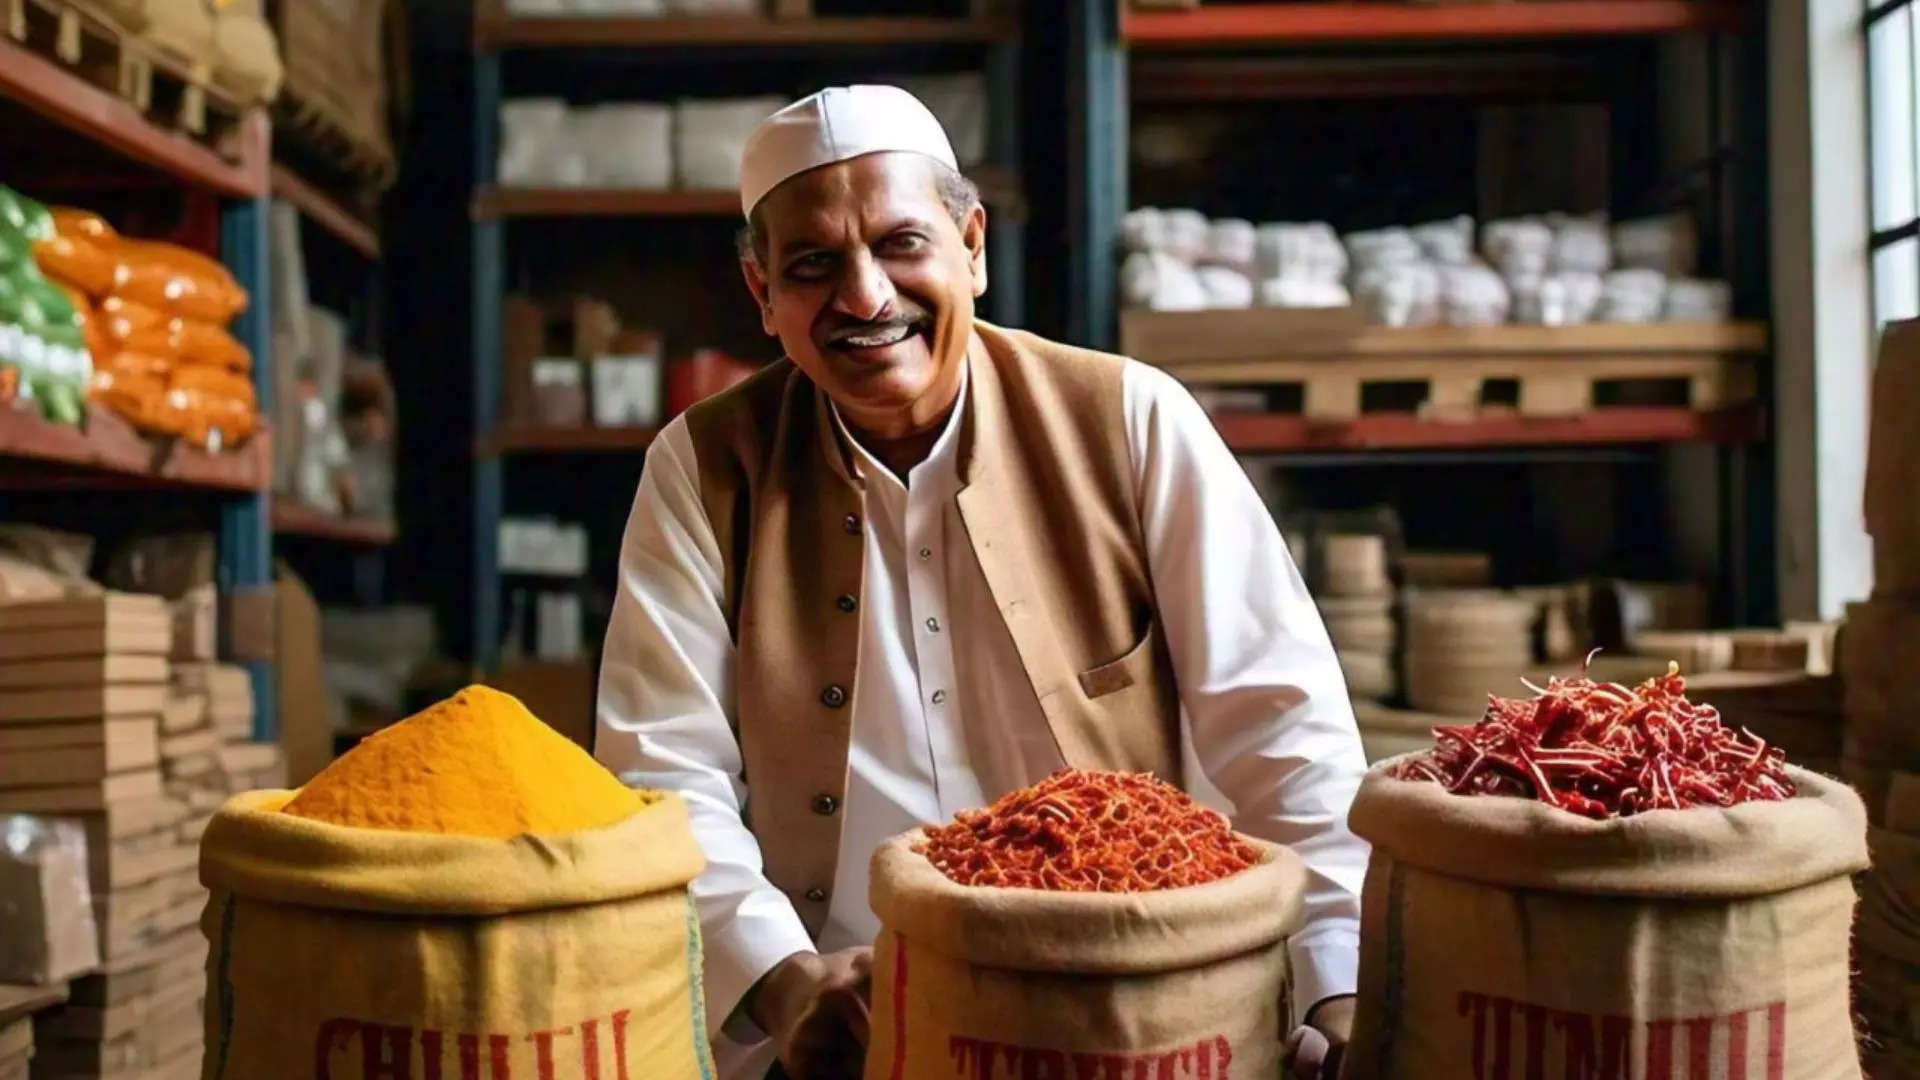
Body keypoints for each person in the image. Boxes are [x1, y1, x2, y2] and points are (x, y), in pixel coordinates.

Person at [595, 85, 1369, 1080]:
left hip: (1135, 992)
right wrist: (787, 984)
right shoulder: (703, 468)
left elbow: (1284, 729)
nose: (866, 297)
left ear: (973, 246)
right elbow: (663, 771)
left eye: (902, 244)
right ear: (762, 295)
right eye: (814, 265)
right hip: (847, 1019)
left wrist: (1338, 983)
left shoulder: (1129, 421)